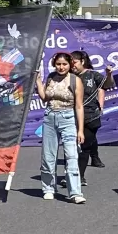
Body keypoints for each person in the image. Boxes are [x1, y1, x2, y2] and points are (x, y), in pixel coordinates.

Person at [35, 53, 86, 204]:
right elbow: (45, 98)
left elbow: (79, 106)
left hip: (68, 118)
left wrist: (80, 130)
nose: (61, 67)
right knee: (48, 156)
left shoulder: (75, 80)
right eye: (58, 64)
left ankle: (75, 192)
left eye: (64, 64)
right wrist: (38, 81)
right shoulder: (50, 78)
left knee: (71, 156)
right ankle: (49, 188)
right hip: (50, 117)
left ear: (70, 64)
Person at [71, 51, 106, 185]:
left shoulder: (92, 75)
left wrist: (101, 105)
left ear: (82, 61)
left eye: (74, 62)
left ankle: (80, 176)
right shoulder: (69, 77)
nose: (72, 65)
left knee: (85, 146)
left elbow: (104, 85)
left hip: (90, 116)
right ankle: (73, 175)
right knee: (72, 148)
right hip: (72, 117)